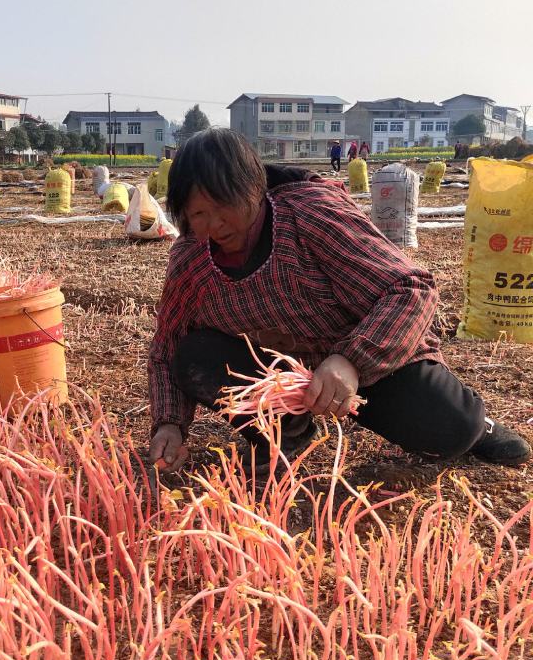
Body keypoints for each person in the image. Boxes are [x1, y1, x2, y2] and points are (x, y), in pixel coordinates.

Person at [148, 128, 530, 473]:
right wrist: (169, 423)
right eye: (199, 213)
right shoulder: (192, 258)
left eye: (225, 206)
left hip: (369, 362)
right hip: (284, 380)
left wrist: (351, 360)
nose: (215, 225)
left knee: (451, 428)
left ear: (253, 187)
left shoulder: (310, 214)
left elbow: (411, 288)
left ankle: (480, 428)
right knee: (193, 354)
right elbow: (167, 346)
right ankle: (288, 433)